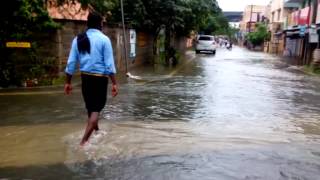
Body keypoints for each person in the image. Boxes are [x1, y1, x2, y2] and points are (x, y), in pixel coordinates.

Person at [64, 12, 118, 146]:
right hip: (99, 79)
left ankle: (96, 132)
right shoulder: (104, 40)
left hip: (85, 79)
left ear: (87, 23)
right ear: (101, 24)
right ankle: (83, 142)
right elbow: (109, 65)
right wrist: (114, 83)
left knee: (91, 108)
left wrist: (68, 82)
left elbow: (71, 63)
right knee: (96, 110)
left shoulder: (78, 39)